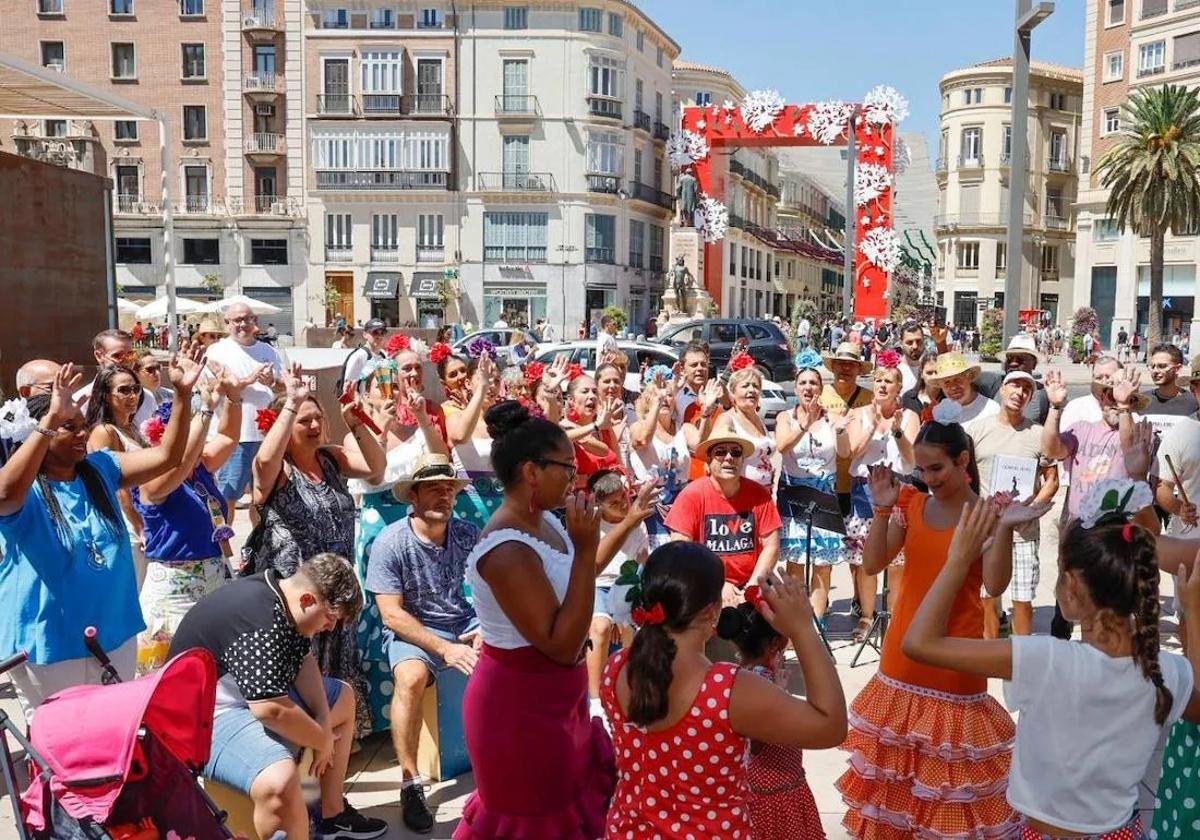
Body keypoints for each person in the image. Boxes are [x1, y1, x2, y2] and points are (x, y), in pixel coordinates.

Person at [903, 490, 1200, 840]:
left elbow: (918, 643)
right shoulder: (1165, 671)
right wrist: (1193, 612)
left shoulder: (1044, 660)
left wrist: (957, 560)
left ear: (1071, 585)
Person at [838, 407, 1028, 839]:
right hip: (900, 662)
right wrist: (882, 511)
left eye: (937, 467)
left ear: (964, 462)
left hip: (955, 664)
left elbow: (996, 584)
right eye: (921, 468)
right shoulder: (911, 502)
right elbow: (871, 564)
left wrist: (1004, 530)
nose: (927, 477)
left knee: (948, 799)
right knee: (897, 800)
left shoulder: (985, 513)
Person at [0, 355, 202, 721]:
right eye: (68, 427)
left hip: (114, 631)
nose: (82, 434)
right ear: (40, 433)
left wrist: (185, 397)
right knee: (62, 741)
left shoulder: (101, 468)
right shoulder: (24, 488)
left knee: (111, 733)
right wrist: (48, 421)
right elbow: (4, 495)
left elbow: (168, 456)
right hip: (49, 641)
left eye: (82, 425)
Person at [602, 544, 846, 837]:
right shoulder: (728, 689)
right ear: (711, 611)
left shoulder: (616, 668)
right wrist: (802, 629)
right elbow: (830, 726)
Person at [453, 400, 611, 837]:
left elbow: (580, 582)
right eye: (567, 466)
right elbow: (559, 645)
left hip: (559, 703)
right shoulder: (506, 551)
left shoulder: (546, 522)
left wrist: (613, 529)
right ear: (531, 472)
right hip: (518, 712)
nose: (575, 476)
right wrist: (583, 549)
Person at [169, 553, 385, 840]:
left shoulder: (283, 595)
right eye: (330, 618)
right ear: (308, 600)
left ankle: (331, 815)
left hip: (247, 701)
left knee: (343, 698)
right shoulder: (262, 618)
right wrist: (321, 740)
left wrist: (322, 722)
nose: (331, 627)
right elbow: (270, 709)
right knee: (279, 783)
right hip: (204, 718)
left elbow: (304, 660)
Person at [245, 364, 387, 738]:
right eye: (303, 420)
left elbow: (376, 468)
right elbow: (261, 463)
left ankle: (338, 741)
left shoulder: (332, 458)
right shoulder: (278, 468)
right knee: (301, 664)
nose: (313, 426)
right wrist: (290, 404)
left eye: (317, 418)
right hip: (298, 592)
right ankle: (303, 740)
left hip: (336, 586)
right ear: (283, 426)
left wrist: (354, 423)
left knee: (337, 659)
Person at [364, 454, 477, 832]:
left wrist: (489, 626)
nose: (444, 496)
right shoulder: (390, 542)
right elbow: (391, 615)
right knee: (410, 677)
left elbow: (492, 586)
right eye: (433, 489)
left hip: (463, 621)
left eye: (449, 489)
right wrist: (443, 649)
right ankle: (410, 783)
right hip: (412, 628)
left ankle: (506, 759)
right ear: (413, 496)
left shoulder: (466, 533)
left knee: (513, 655)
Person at [347, 354, 450, 735]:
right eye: (381, 386)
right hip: (378, 523)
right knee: (379, 610)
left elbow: (441, 457)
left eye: (395, 385)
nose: (390, 391)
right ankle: (377, 711)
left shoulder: (416, 429)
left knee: (418, 601)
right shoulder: (354, 431)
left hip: (417, 522)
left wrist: (422, 418)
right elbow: (372, 472)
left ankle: (413, 703)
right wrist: (382, 424)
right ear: (368, 392)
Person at [131, 363, 248, 672]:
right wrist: (206, 410)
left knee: (215, 671)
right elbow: (179, 462)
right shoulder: (151, 478)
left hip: (215, 576)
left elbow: (228, 437)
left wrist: (233, 398)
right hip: (175, 587)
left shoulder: (200, 469)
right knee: (169, 673)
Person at [717, 593, 832, 840]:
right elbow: (754, 743)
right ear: (775, 642)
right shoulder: (762, 682)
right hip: (774, 793)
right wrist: (780, 697)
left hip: (774, 785)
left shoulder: (742, 675)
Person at [969, 370, 1059, 638]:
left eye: (1026, 390)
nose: (1019, 393)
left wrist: (1029, 510)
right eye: (1014, 386)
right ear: (1002, 390)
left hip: (1024, 533)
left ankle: (1021, 655)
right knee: (987, 598)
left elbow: (1051, 480)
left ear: (1031, 397)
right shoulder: (977, 431)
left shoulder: (1039, 434)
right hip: (987, 530)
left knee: (1022, 600)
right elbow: (966, 477)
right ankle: (989, 651)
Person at [665, 434, 782, 605]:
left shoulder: (760, 495)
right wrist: (717, 584)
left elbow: (771, 546)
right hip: (703, 585)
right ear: (709, 460)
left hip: (751, 584)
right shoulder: (691, 495)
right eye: (720, 452)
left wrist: (751, 589)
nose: (729, 457)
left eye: (735, 452)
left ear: (742, 460)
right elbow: (680, 551)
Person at [775, 350, 846, 630]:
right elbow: (782, 446)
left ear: (821, 388)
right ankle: (795, 622)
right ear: (796, 388)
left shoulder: (832, 418)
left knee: (822, 564)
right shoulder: (786, 417)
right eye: (803, 383)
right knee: (795, 562)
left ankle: (817, 622)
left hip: (824, 494)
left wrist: (840, 430)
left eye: (813, 383)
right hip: (794, 494)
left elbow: (845, 452)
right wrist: (803, 425)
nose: (808, 388)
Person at [583, 470, 655, 716]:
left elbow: (642, 561)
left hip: (626, 585)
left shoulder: (638, 523)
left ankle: (630, 690)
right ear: (600, 505)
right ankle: (595, 701)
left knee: (631, 629)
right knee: (600, 628)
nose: (624, 505)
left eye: (624, 497)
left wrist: (624, 607)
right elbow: (589, 568)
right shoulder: (592, 523)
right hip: (596, 585)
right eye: (614, 503)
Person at [204, 301, 283, 524]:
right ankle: (223, 549)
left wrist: (273, 382)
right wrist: (248, 380)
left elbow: (284, 387)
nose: (242, 324)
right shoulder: (217, 351)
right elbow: (217, 387)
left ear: (254, 322)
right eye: (237, 320)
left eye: (247, 319)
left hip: (267, 435)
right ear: (227, 323)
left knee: (263, 496)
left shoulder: (269, 351)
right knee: (227, 496)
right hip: (233, 437)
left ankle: (257, 548)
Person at [629, 376, 690, 546]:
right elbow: (642, 440)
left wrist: (706, 411)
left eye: (669, 395)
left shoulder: (681, 428)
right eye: (656, 395)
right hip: (651, 505)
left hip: (680, 503)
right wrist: (657, 403)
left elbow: (702, 443)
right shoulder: (637, 427)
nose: (664, 398)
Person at [712, 362, 777, 489]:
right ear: (732, 393)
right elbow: (716, 462)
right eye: (745, 386)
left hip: (765, 494)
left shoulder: (758, 419)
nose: (752, 390)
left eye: (756, 386)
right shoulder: (727, 420)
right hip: (740, 495)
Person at [1155, 355, 1200, 535]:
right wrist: (1179, 508)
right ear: (1194, 389)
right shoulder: (1180, 434)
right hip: (1191, 540)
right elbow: (1162, 488)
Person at [975, 334, 1051, 425]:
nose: (1013, 364)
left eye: (1020, 360)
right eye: (1009, 359)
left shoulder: (1044, 396)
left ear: (1034, 364)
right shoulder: (992, 385)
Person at [561, 374, 622, 487]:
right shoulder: (564, 428)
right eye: (585, 392)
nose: (592, 396)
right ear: (571, 400)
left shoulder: (604, 428)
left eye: (594, 392)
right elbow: (561, 438)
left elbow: (620, 464)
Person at [926, 351, 999, 431]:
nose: (953, 387)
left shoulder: (991, 410)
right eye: (946, 382)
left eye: (957, 379)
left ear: (969, 378)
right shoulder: (939, 412)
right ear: (941, 386)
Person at [1142, 342, 1199, 439]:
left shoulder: (1194, 402)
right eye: (1153, 366)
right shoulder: (1141, 401)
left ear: (1178, 369)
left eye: (1162, 366)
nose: (1155, 371)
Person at [339, 317, 389, 390]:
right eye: (375, 333)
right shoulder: (359, 356)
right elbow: (348, 387)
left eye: (382, 333)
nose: (379, 336)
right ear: (365, 335)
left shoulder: (383, 355)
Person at [900, 349, 940, 419]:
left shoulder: (950, 398)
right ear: (921, 374)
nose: (934, 377)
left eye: (937, 372)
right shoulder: (909, 398)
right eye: (929, 373)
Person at [895, 320, 927, 393]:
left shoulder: (931, 369)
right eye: (909, 342)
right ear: (901, 343)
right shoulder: (894, 370)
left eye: (918, 341)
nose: (915, 346)